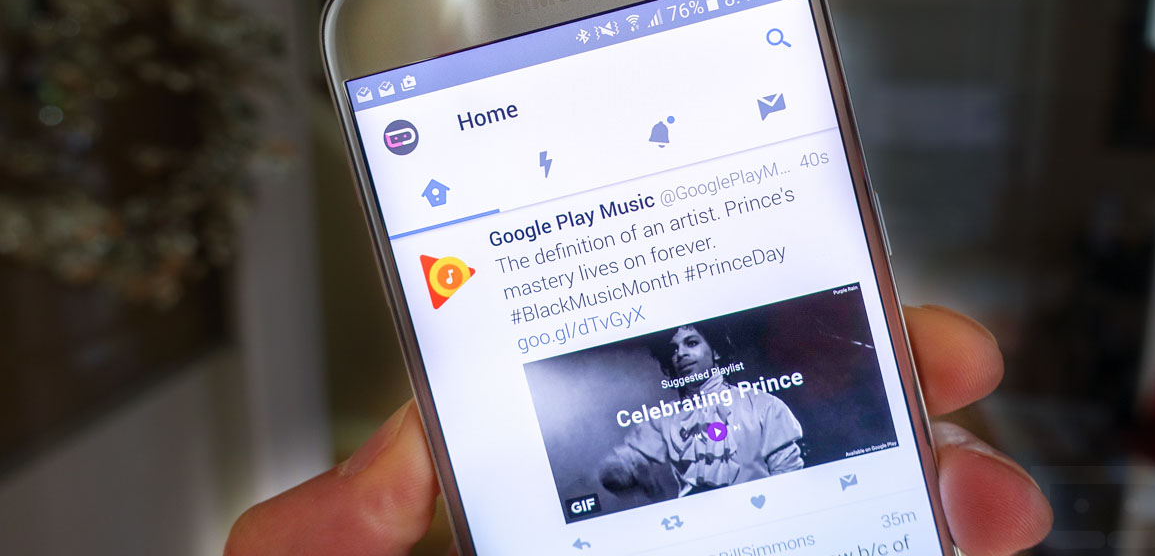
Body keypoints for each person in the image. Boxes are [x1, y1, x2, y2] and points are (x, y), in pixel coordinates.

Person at [224, 306, 1053, 556]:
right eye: (670, 346)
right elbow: (619, 468)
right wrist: (618, 486)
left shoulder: (765, 404)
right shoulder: (661, 421)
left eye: (690, 339)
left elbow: (796, 474)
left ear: (713, 348)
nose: (679, 350)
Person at [599, 323, 804, 497]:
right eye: (673, 350)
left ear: (716, 350)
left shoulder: (763, 404)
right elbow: (625, 462)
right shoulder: (665, 418)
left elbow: (788, 473)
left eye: (691, 343)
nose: (681, 354)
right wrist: (625, 473)